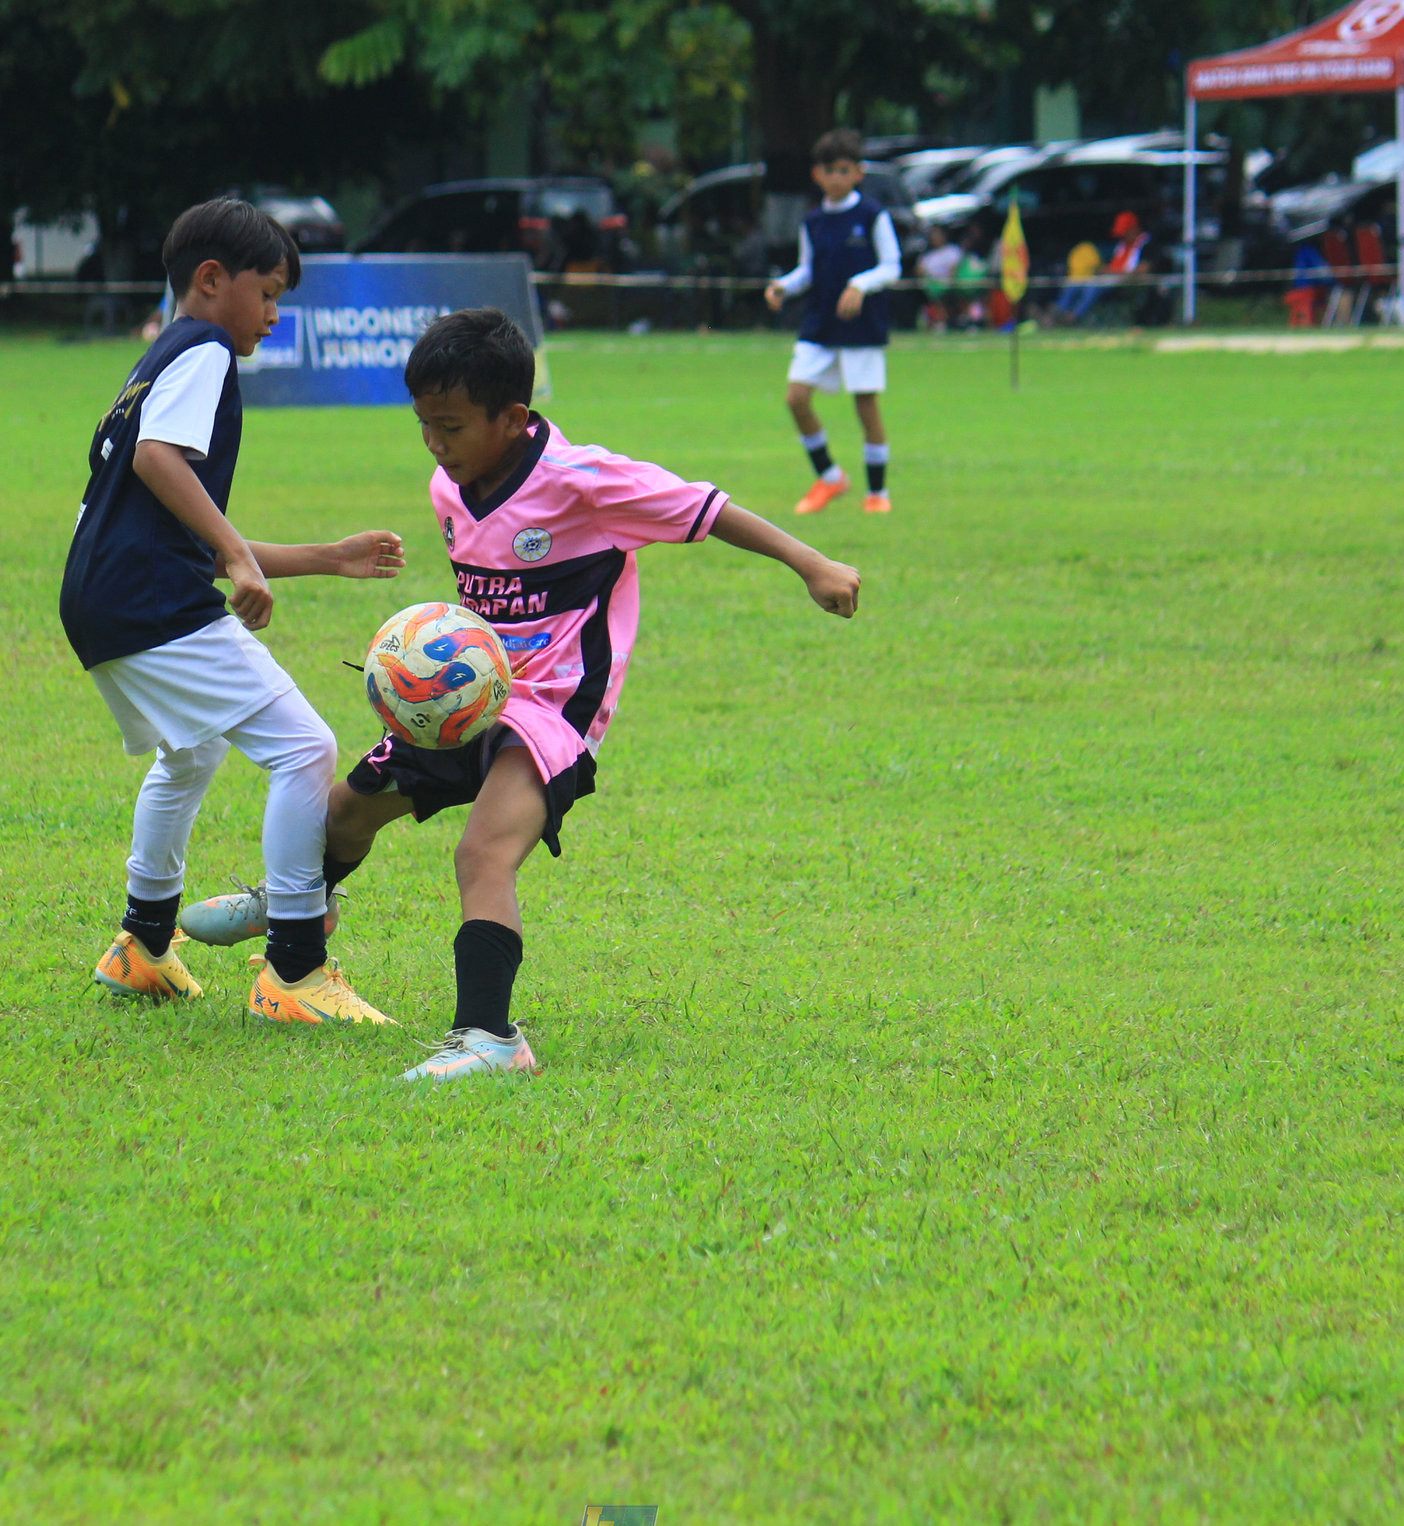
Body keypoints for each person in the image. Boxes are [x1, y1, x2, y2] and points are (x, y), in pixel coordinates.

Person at [181, 308, 859, 1081]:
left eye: (450, 425)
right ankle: (299, 897)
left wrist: (811, 563)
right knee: (342, 809)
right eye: (423, 425)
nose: (435, 443)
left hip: (554, 709)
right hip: (474, 695)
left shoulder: (584, 480)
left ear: (511, 418)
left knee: (484, 851)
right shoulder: (451, 482)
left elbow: (706, 508)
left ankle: (490, 1037)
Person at [60, 197, 405, 1018]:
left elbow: (172, 520)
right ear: (212, 281)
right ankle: (294, 971)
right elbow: (157, 461)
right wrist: (242, 558)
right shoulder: (206, 347)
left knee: (192, 752)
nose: (275, 317)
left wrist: (327, 557)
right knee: (304, 747)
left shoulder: (159, 359)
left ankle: (142, 945)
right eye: (270, 293)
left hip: (101, 595)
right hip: (148, 599)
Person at [763, 127, 901, 515]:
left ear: (858, 173)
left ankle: (877, 493)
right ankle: (830, 477)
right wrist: (783, 287)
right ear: (817, 175)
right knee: (796, 398)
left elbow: (892, 266)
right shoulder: (813, 222)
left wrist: (860, 285)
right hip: (820, 324)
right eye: (830, 171)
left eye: (844, 170)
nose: (836, 178)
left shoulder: (873, 215)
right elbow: (807, 270)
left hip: (861, 326)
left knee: (865, 406)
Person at [918, 225, 962, 330]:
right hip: (931, 286)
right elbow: (920, 271)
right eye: (933, 235)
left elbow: (955, 269)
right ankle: (936, 321)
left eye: (937, 234)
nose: (935, 237)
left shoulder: (952, 251)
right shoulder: (927, 256)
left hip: (949, 285)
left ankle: (960, 320)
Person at [1052, 235, 1104, 323]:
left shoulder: (1090, 249)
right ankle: (1056, 315)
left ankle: (1073, 317)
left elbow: (1098, 268)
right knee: (1068, 289)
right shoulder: (1074, 252)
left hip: (1090, 281)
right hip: (1075, 281)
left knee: (1090, 290)